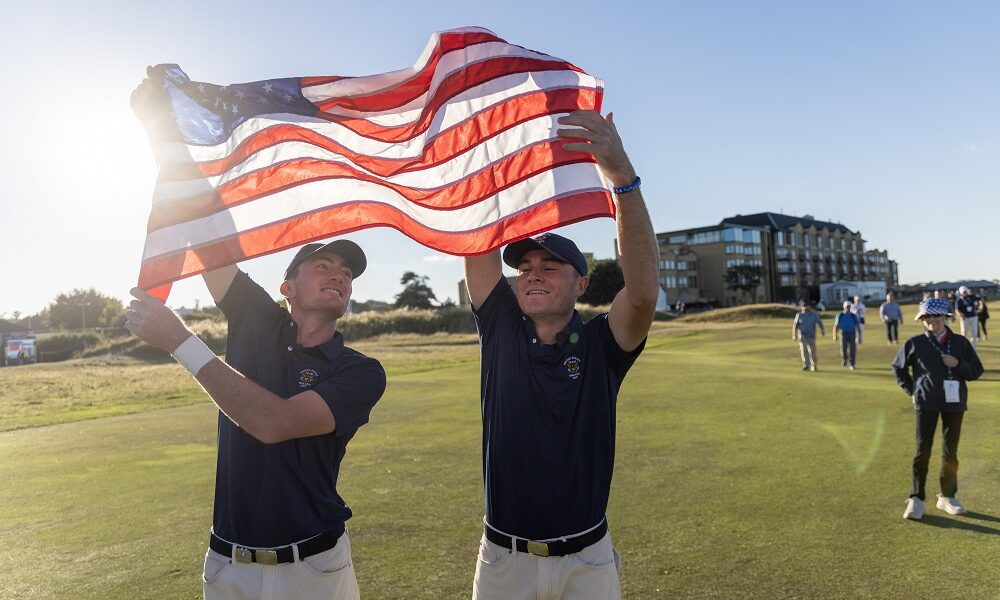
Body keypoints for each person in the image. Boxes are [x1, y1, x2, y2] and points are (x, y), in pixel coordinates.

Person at [463, 110, 659, 600]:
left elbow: (642, 294)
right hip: (504, 562)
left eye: (551, 266)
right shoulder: (500, 327)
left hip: (586, 563)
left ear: (582, 282)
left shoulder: (602, 343)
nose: (534, 273)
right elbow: (476, 237)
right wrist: (482, 148)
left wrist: (622, 178)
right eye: (526, 266)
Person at [125, 239, 386, 600]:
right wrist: (188, 189)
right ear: (287, 288)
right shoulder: (257, 317)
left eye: (346, 273)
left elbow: (275, 423)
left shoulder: (361, 371)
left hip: (315, 568)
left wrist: (178, 340)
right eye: (323, 266)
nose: (339, 276)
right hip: (228, 566)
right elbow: (209, 244)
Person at [893, 298, 983, 520]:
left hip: (955, 403)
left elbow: (976, 370)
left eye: (936, 316)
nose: (931, 320)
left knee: (950, 451)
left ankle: (947, 496)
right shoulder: (915, 343)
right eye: (926, 317)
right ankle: (916, 498)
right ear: (922, 320)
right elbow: (899, 367)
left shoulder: (960, 342)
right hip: (926, 403)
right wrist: (912, 390)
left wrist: (958, 364)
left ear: (945, 317)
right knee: (922, 450)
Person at [792, 301, 825, 371]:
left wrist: (822, 330)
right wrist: (794, 335)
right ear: (801, 307)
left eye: (807, 306)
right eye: (804, 306)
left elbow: (820, 323)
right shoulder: (799, 315)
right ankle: (806, 365)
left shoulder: (814, 315)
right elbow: (795, 326)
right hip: (802, 335)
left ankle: (814, 365)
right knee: (804, 350)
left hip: (811, 335)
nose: (806, 307)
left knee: (813, 351)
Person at [833, 301, 859, 370]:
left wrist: (859, 336)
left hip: (852, 333)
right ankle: (844, 360)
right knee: (843, 348)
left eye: (849, 306)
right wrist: (835, 335)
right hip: (843, 334)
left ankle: (852, 364)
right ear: (844, 307)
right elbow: (836, 326)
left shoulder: (853, 316)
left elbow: (857, 326)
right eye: (846, 306)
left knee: (853, 349)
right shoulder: (840, 315)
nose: (848, 308)